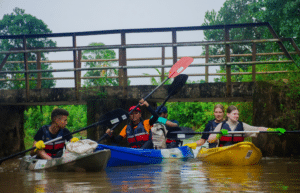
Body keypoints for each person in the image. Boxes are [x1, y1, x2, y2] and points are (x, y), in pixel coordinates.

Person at [207, 105, 285, 147]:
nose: (237, 116)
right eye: (234, 114)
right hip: (223, 150)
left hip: (239, 151)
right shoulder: (221, 125)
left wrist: (274, 130)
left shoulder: (242, 125)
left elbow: (258, 129)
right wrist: (219, 134)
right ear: (228, 115)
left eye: (238, 114)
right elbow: (210, 140)